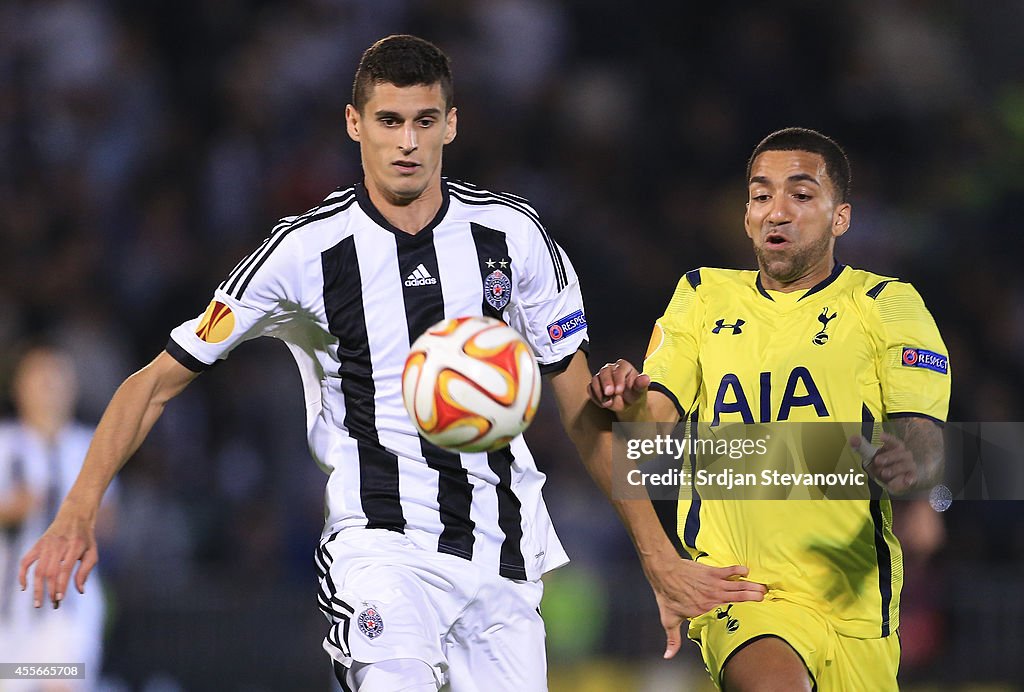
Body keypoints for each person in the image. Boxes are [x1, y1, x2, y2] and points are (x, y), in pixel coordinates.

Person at [19, 34, 738, 692]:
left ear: (451, 125)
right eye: (389, 121)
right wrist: (77, 509)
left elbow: (584, 414)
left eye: (425, 121)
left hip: (506, 560)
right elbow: (153, 384)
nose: (407, 143)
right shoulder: (303, 252)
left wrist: (656, 553)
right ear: (354, 124)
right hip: (381, 550)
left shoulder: (512, 236)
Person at [589, 127, 949, 691]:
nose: (777, 211)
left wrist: (914, 469)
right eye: (761, 196)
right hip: (739, 590)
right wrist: (630, 402)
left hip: (858, 611)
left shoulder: (886, 304)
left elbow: (923, 432)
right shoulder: (703, 295)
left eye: (801, 196)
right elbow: (653, 425)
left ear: (841, 218)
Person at [1, 346, 114, 691]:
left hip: (68, 611)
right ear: (18, 385)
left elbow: (109, 523)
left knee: (61, 685)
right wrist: (12, 509)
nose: (48, 385)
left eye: (57, 376)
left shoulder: (89, 446)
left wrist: (75, 519)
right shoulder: (4, 445)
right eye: (39, 376)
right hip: (9, 611)